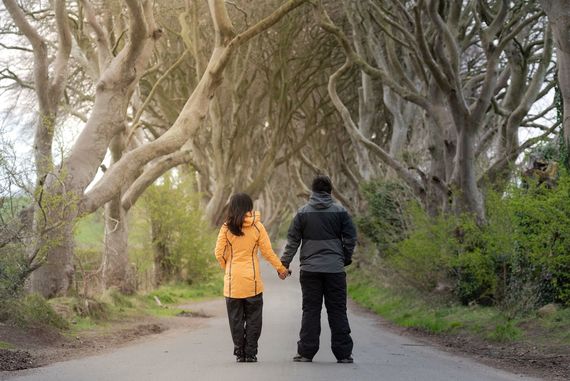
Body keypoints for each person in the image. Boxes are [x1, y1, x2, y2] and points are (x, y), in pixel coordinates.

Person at [280, 175, 357, 363]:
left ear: (312, 192)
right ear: (330, 191)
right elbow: (350, 238)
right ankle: (344, 355)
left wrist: (284, 263)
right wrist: (344, 258)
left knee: (311, 310)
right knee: (338, 310)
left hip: (310, 270)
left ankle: (306, 353)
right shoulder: (340, 212)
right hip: (335, 270)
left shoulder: (302, 213)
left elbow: (292, 241)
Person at [214, 193, 289, 363]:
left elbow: (218, 253)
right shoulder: (257, 227)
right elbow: (268, 252)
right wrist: (281, 269)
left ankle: (240, 353)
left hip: (233, 283)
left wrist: (229, 269)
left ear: (232, 207)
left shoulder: (226, 227)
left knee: (236, 320)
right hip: (252, 282)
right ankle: (251, 353)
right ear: (249, 207)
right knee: (254, 319)